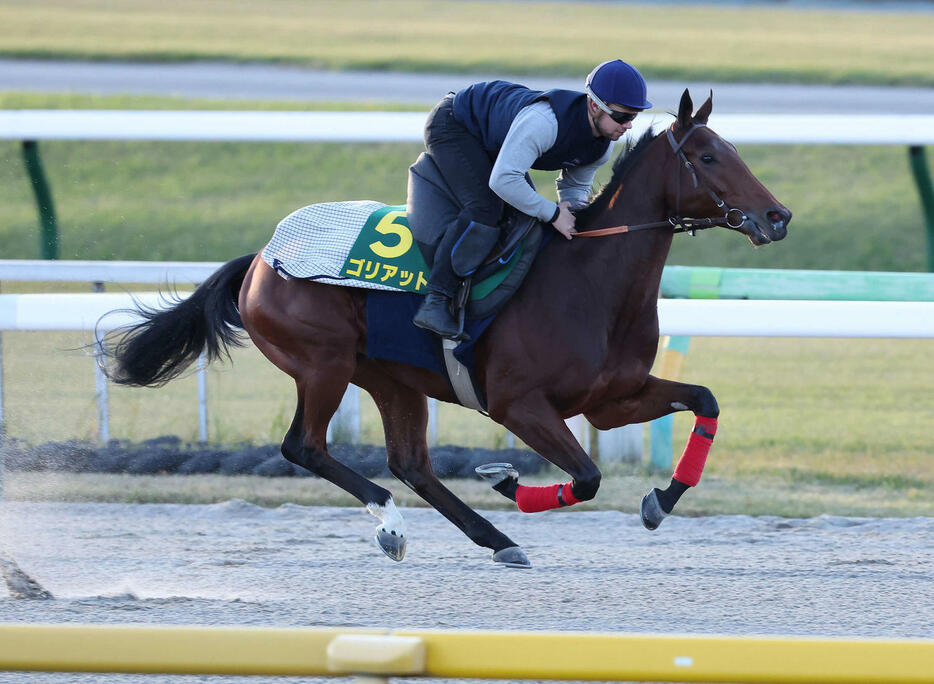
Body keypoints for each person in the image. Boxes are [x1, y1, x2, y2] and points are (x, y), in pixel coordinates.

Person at [411, 59, 653, 339]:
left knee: (523, 215)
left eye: (633, 117)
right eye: (622, 116)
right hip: (454, 125)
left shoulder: (601, 148)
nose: (628, 126)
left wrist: (573, 216)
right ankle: (436, 301)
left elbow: (574, 189)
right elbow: (503, 180)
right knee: (486, 208)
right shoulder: (544, 123)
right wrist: (552, 213)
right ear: (595, 105)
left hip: (494, 139)